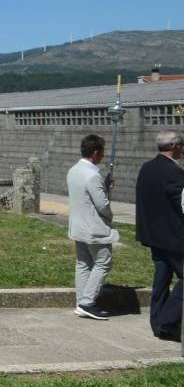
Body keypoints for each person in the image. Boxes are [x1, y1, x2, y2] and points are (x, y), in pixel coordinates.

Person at [135, 130, 184, 342]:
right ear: (174, 146)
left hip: (154, 235)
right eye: (182, 145)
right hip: (174, 237)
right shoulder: (174, 173)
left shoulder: (147, 167)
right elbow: (181, 203)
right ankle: (167, 320)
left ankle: (158, 324)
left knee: (161, 280)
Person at [66, 134, 118, 320]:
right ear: (95, 153)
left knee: (83, 264)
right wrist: (110, 215)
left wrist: (103, 186)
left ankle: (81, 301)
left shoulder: (74, 170)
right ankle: (87, 302)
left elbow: (86, 194)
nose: (103, 156)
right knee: (104, 262)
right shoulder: (92, 175)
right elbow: (102, 205)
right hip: (94, 228)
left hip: (78, 226)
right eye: (102, 152)